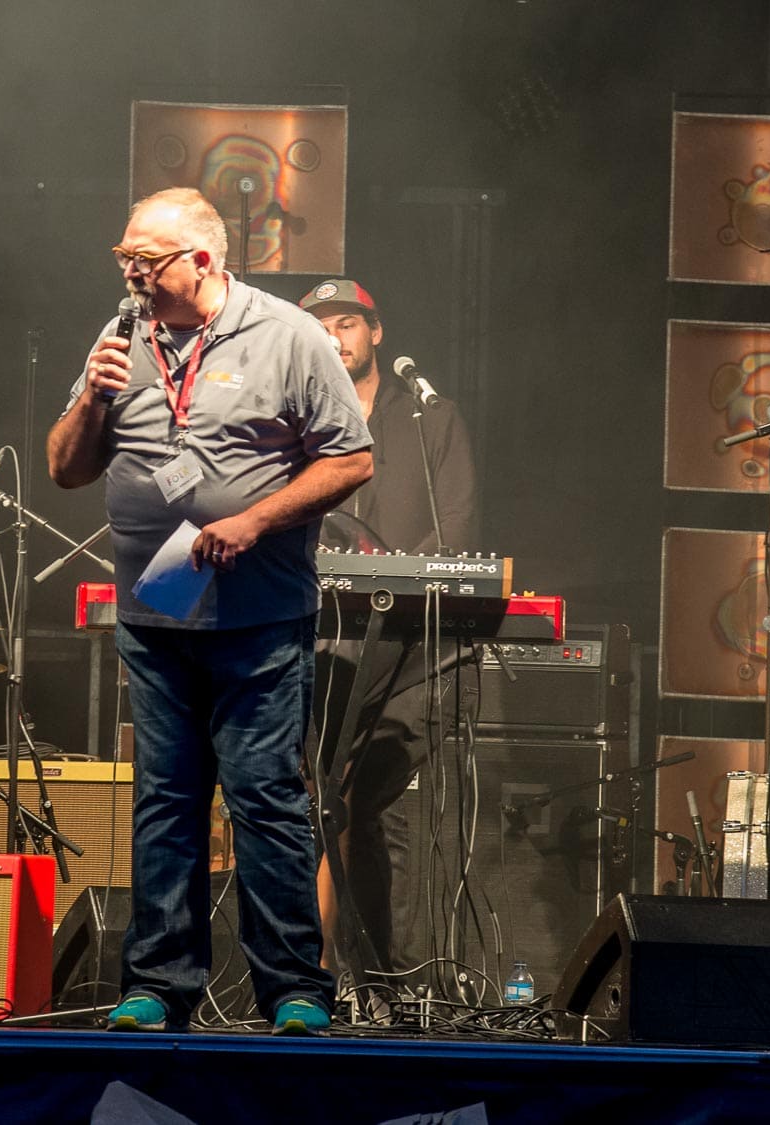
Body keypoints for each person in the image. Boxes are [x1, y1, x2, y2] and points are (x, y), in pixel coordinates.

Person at [48, 187, 373, 1035]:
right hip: (155, 616)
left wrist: (255, 519)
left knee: (265, 800)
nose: (130, 273)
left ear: (201, 260)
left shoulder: (289, 336)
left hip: (258, 616)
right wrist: (92, 397)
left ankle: (294, 989)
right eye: (122, 258)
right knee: (166, 801)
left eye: (144, 260)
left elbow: (351, 459)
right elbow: (65, 468)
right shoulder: (121, 337)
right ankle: (158, 986)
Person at [299, 278, 477, 979]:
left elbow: (456, 522)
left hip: (411, 648)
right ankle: (321, 971)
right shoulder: (299, 420)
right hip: (326, 639)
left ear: (375, 332)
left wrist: (401, 580)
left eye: (346, 323)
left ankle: (382, 973)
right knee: (323, 798)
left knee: (368, 801)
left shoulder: (431, 417)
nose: (334, 338)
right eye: (320, 328)